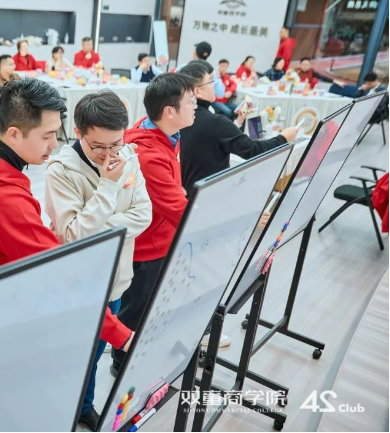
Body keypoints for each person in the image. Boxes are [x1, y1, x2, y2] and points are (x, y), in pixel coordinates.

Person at [0, 79, 135, 429]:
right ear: (14, 133)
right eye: (47, 136)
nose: (54, 145)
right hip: (1, 312)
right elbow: (57, 271)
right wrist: (121, 335)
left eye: (56, 134)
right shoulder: (7, 201)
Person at [45, 90, 151, 428]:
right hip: (79, 283)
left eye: (115, 144)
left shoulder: (128, 155)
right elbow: (74, 236)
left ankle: (82, 406)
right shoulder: (61, 170)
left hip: (116, 278)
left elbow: (144, 214)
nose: (109, 154)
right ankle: (66, 410)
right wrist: (107, 187)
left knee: (93, 355)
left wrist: (98, 226)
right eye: (98, 147)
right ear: (78, 132)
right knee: (74, 356)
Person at [111, 73, 194, 375]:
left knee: (150, 306)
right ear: (169, 111)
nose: (195, 106)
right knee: (137, 310)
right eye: (190, 101)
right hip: (147, 247)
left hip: (160, 236)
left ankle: (142, 351)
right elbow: (179, 211)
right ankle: (122, 366)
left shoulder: (161, 133)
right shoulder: (148, 153)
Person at [178, 60, 298, 195]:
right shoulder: (216, 122)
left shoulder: (181, 117)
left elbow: (214, 142)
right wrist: (284, 138)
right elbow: (254, 150)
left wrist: (238, 122)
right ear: (197, 91)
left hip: (188, 193)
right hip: (213, 195)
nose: (215, 85)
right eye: (211, 81)